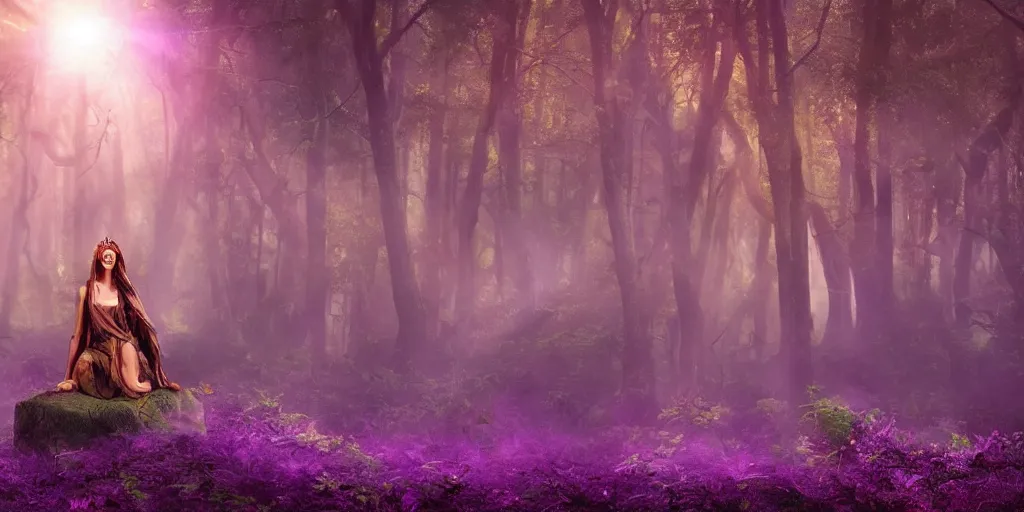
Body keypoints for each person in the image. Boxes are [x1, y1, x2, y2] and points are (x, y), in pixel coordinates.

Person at [55, 238, 180, 398]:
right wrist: (68, 378)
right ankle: (85, 382)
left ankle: (140, 384)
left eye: (111, 256)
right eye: (105, 256)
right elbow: (77, 335)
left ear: (117, 260)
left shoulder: (123, 292)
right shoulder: (86, 291)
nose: (108, 259)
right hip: (98, 350)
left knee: (126, 347)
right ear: (98, 258)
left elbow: (137, 325)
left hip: (122, 347)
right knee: (84, 365)